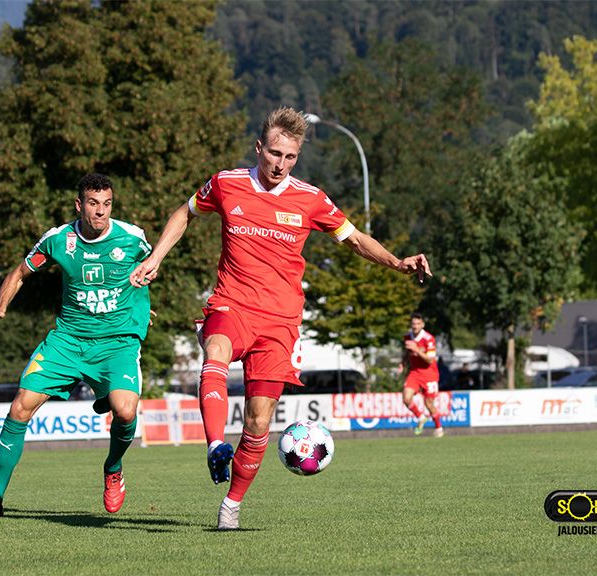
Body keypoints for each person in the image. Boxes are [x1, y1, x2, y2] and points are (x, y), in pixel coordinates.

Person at [130, 107, 432, 530]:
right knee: (215, 350)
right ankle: (216, 443)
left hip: (280, 323)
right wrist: (155, 257)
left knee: (258, 420)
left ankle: (232, 505)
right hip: (232, 303)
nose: (280, 164)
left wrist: (397, 262)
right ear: (259, 147)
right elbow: (184, 213)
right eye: (274, 154)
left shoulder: (311, 199)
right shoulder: (226, 184)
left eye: (290, 158)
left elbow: (356, 239)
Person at [0, 173, 152, 519]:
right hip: (67, 341)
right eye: (94, 204)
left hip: (116, 343)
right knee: (20, 407)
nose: (101, 212)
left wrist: (140, 305)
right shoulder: (59, 239)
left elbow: (148, 269)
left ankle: (113, 469)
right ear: (79, 204)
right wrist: (0, 306)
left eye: (107, 204)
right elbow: (21, 272)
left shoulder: (132, 237)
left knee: (126, 411)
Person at [400, 312, 443, 438]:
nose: (415, 326)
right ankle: (421, 417)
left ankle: (438, 427)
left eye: (418, 324)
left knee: (429, 403)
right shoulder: (408, 337)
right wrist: (403, 363)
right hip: (415, 372)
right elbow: (407, 353)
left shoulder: (429, 339)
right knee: (406, 398)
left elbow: (430, 360)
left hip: (429, 374)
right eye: (413, 324)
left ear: (422, 324)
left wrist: (417, 349)